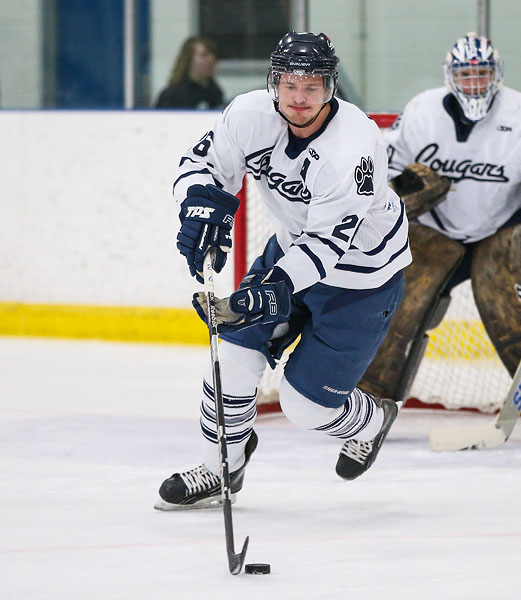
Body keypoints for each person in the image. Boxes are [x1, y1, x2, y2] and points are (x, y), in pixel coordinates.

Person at [155, 32, 410, 510]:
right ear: (274, 82)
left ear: (330, 88)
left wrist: (270, 288)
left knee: (305, 407)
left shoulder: (352, 148)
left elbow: (331, 243)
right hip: (292, 249)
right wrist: (197, 207)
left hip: (361, 279)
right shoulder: (250, 115)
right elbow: (201, 164)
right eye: (290, 84)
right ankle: (222, 468)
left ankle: (371, 419)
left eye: (312, 87)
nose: (298, 98)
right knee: (232, 354)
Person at [357, 33, 521, 443]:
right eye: (466, 76)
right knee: (394, 302)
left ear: (497, 75)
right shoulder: (421, 112)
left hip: (500, 232)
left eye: (482, 74)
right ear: (451, 77)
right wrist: (400, 192)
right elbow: (380, 177)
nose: (474, 84)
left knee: (510, 304)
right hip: (434, 231)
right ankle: (368, 399)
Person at [155, 36, 224, 109]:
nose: (210, 60)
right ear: (188, 59)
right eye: (204, 55)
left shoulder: (215, 92)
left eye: (213, 56)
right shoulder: (171, 95)